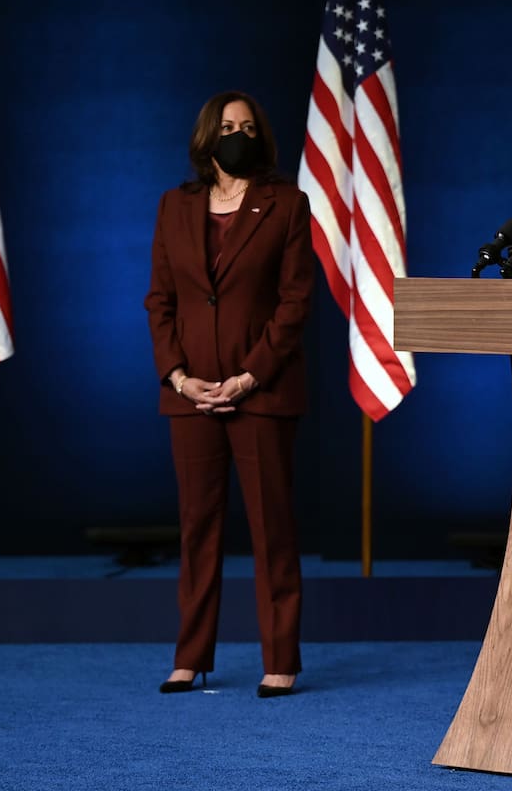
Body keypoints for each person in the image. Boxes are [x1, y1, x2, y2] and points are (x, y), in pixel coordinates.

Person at [144, 90, 315, 698]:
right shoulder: (174, 206)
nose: (236, 134)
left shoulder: (288, 205)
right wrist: (180, 377)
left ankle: (281, 660)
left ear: (260, 137)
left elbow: (296, 304)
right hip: (189, 397)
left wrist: (247, 377)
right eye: (226, 126)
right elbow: (160, 300)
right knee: (197, 528)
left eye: (246, 126)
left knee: (272, 527)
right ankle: (190, 656)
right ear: (206, 139)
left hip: (261, 394)